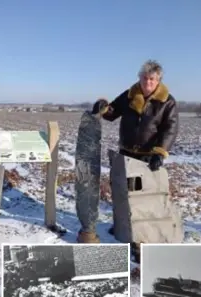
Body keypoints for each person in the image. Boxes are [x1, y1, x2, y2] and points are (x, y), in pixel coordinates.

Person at [77, 60, 179, 244]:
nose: (147, 82)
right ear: (139, 78)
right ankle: (122, 226)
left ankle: (142, 236)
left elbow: (170, 129)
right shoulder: (130, 95)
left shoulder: (168, 102)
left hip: (148, 157)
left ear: (158, 80)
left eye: (152, 79)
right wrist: (102, 106)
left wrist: (160, 152)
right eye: (144, 78)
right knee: (123, 193)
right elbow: (112, 112)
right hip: (126, 154)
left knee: (143, 197)